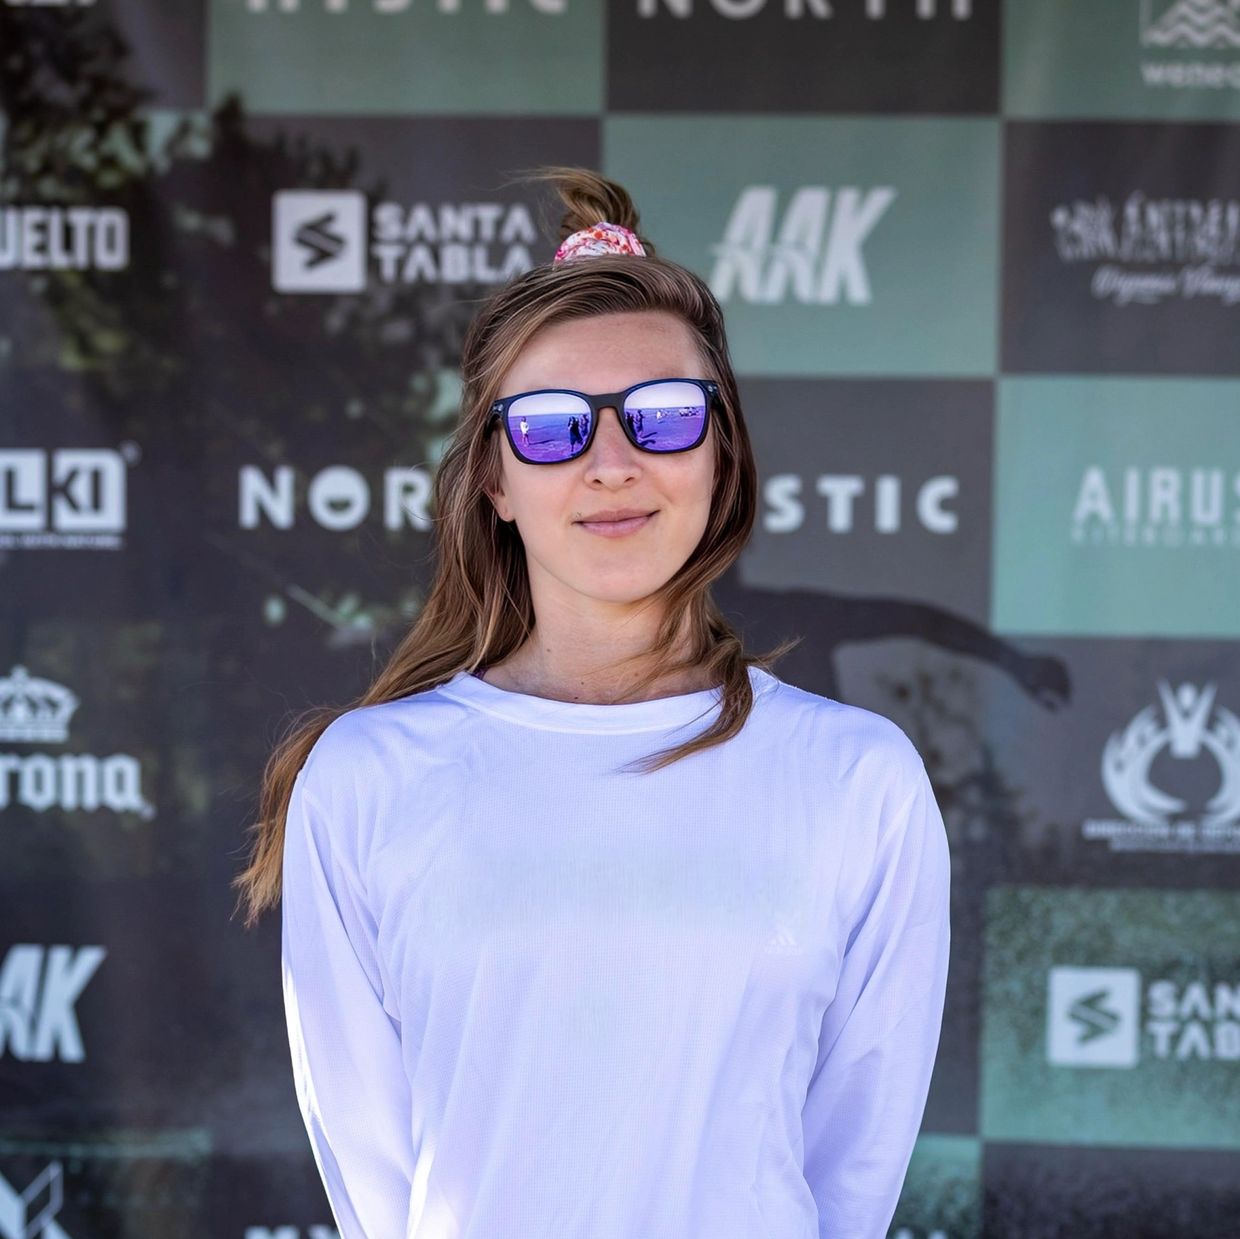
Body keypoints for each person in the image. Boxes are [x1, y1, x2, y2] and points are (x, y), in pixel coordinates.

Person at [233, 165, 951, 1239]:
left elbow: (852, 1164)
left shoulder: (859, 778)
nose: (611, 462)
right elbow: (374, 1176)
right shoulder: (368, 776)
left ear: (721, 452)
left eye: (662, 415)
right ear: (493, 479)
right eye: (553, 426)